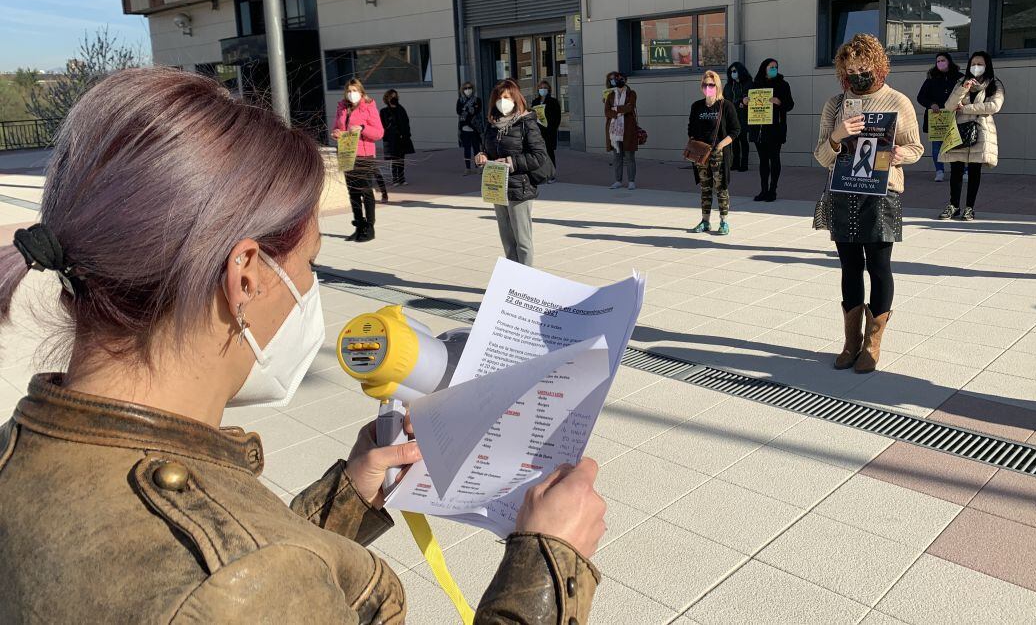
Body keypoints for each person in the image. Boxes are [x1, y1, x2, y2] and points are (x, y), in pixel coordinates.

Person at [0, 68, 606, 623]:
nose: (310, 290)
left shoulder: (20, 454)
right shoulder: (238, 583)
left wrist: (344, 501)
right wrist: (547, 567)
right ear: (245, 276)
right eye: (310, 264)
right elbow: (236, 584)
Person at [815, 34, 922, 374]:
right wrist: (838, 135)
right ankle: (851, 342)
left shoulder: (897, 101)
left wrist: (901, 154)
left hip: (881, 194)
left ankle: (872, 345)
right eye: (850, 69)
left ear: (878, 66)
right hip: (843, 191)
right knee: (849, 268)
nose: (857, 75)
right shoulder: (836, 104)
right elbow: (820, 156)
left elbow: (916, 147)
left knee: (879, 267)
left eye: (863, 68)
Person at [475, 79, 553, 266]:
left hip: (520, 186)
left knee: (522, 239)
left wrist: (512, 162)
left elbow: (539, 156)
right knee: (507, 237)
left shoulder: (526, 122)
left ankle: (526, 280)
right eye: (499, 98)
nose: (502, 101)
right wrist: (482, 156)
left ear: (515, 98)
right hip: (497, 186)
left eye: (506, 97)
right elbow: (486, 148)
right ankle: (512, 276)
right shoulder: (492, 125)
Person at [938, 51, 1005, 221]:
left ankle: (970, 207)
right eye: (973, 63)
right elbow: (949, 105)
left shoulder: (994, 84)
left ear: (987, 65)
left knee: (974, 170)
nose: (976, 67)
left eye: (980, 64)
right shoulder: (962, 82)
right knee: (956, 169)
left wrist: (965, 108)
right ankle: (954, 205)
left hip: (980, 130)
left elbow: (994, 106)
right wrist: (963, 89)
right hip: (959, 130)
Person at [687, 70, 740, 235]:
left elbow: (735, 130)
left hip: (719, 153)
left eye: (711, 84)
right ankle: (705, 221)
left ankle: (724, 221)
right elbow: (691, 128)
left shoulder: (726, 105)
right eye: (705, 84)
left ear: (717, 86)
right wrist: (695, 143)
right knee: (705, 188)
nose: (708, 87)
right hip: (701, 153)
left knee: (721, 187)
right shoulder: (696, 106)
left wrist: (720, 145)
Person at [332, 78, 385, 241]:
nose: (351, 94)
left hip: (364, 154)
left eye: (354, 91)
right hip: (346, 152)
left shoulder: (368, 107)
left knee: (365, 191)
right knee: (352, 192)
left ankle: (370, 228)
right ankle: (359, 225)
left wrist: (362, 128)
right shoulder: (342, 107)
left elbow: (379, 132)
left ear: (361, 92)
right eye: (349, 90)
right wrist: (336, 133)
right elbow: (337, 126)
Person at [746, 58, 795, 202]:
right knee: (763, 160)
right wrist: (744, 102)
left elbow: (790, 104)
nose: (774, 69)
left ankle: (773, 190)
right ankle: (763, 190)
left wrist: (779, 102)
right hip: (759, 129)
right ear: (764, 68)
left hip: (776, 129)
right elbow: (742, 104)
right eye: (771, 67)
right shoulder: (755, 85)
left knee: (774, 158)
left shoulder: (783, 85)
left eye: (776, 67)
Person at [917, 52, 963, 181]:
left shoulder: (959, 78)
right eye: (938, 61)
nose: (940, 63)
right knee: (937, 146)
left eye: (943, 60)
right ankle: (939, 171)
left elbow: (966, 94)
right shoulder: (931, 78)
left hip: (955, 116)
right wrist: (931, 104)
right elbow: (921, 97)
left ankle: (962, 170)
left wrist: (960, 104)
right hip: (936, 118)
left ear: (949, 61)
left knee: (958, 144)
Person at [604, 71, 638, 190]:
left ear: (625, 80)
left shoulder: (631, 93)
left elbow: (630, 107)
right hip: (614, 131)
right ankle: (618, 180)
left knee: (629, 156)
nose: (618, 80)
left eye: (620, 78)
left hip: (628, 129)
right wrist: (620, 111)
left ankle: (631, 181)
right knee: (617, 157)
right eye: (615, 79)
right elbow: (607, 111)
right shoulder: (610, 95)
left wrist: (615, 109)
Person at [380, 89, 414, 187]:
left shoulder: (401, 109)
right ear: (387, 98)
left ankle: (402, 178)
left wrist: (407, 135)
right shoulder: (384, 111)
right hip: (392, 139)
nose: (394, 98)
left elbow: (406, 122)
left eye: (395, 96)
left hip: (402, 138)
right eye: (391, 96)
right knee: (394, 159)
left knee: (401, 159)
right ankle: (395, 179)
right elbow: (384, 125)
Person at [725, 62, 753, 172]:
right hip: (731, 117)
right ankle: (735, 163)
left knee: (743, 140)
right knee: (734, 141)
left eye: (735, 71)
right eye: (731, 71)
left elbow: (748, 98)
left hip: (744, 116)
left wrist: (741, 102)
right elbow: (725, 99)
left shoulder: (748, 83)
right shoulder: (729, 86)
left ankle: (744, 164)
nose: (733, 73)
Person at [530, 79, 562, 177]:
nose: (543, 89)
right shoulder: (535, 101)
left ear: (549, 90)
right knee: (538, 152)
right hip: (538, 131)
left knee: (549, 152)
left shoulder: (553, 101)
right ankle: (541, 173)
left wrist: (552, 127)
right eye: (541, 88)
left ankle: (552, 174)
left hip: (549, 131)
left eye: (545, 88)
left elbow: (557, 117)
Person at [456, 81, 485, 176]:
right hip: (464, 129)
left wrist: (467, 111)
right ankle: (467, 168)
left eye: (469, 88)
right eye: (465, 88)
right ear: (462, 90)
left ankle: (479, 167)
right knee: (466, 149)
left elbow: (477, 111)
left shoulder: (477, 100)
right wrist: (468, 110)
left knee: (477, 149)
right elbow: (459, 111)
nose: (468, 90)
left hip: (475, 128)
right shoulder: (460, 101)